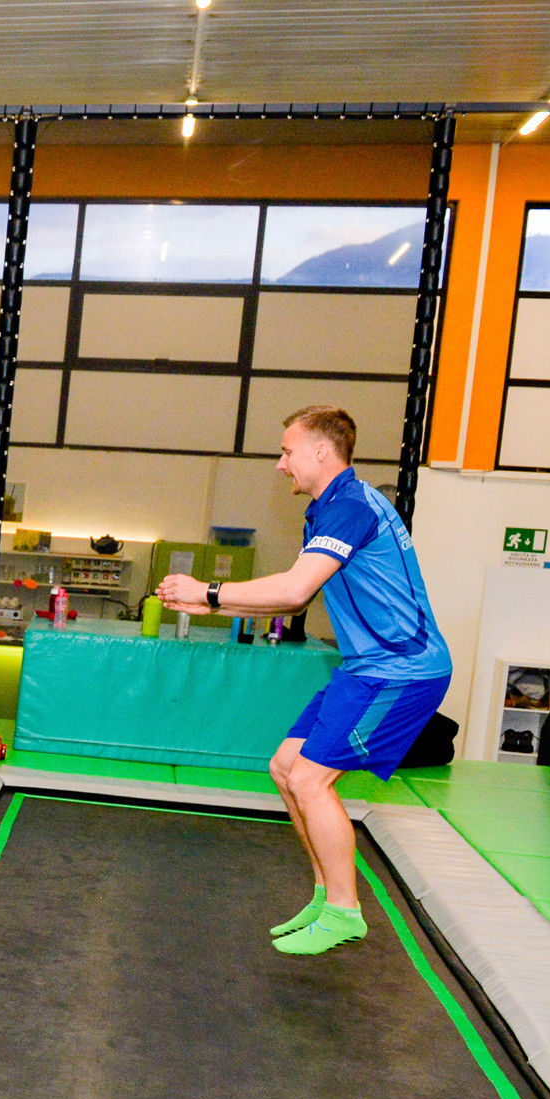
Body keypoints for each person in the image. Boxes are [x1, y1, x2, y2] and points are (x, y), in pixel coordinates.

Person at [157, 405, 452, 957]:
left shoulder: (351, 507)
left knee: (313, 779)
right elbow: (300, 593)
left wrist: (210, 593)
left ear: (322, 450)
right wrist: (214, 609)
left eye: (287, 450)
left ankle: (345, 911)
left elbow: (294, 591)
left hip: (401, 670)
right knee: (286, 767)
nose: (279, 464)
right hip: (366, 667)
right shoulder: (326, 511)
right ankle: (325, 895)